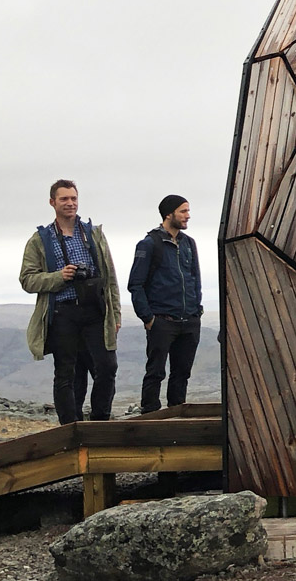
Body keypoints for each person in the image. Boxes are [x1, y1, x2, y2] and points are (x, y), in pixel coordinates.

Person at [19, 179, 122, 423]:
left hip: (95, 310)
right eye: (64, 199)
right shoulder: (40, 240)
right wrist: (59, 277)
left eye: (74, 198)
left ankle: (100, 422)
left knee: (107, 367)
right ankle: (70, 426)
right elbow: (27, 280)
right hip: (63, 313)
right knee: (66, 373)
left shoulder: (93, 234)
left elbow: (110, 277)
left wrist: (115, 314)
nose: (70, 203)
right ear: (52, 202)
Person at [127, 195, 203, 413]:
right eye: (183, 211)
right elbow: (136, 284)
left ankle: (177, 416)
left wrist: (196, 311)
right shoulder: (149, 244)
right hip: (162, 321)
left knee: (182, 373)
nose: (188, 216)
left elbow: (195, 278)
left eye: (188, 211)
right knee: (155, 372)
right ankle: (149, 417)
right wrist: (149, 318)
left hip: (189, 321)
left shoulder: (189, 243)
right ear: (168, 214)